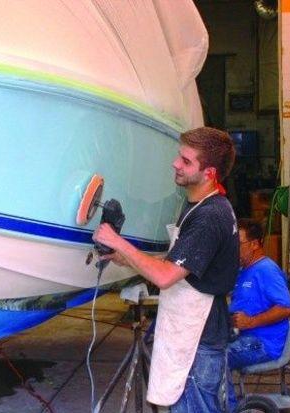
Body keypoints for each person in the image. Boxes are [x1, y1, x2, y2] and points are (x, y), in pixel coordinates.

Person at [93, 126, 238, 412]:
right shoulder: (202, 205)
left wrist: (117, 242)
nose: (175, 163)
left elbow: (166, 276)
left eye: (186, 161)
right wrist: (129, 259)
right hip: (197, 332)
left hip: (198, 339)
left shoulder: (209, 216)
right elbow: (179, 264)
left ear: (208, 173)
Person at [229, 219, 290, 370]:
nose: (234, 249)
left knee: (217, 359)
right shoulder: (243, 271)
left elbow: (286, 308)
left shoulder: (266, 270)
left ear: (254, 244)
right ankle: (222, 394)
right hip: (244, 336)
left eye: (239, 244)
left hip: (261, 342)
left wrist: (250, 322)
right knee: (206, 351)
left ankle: (226, 395)